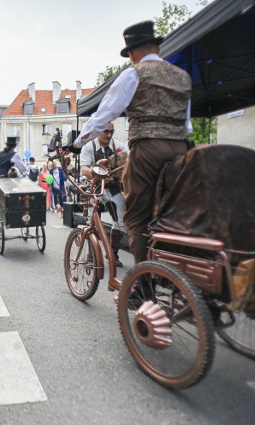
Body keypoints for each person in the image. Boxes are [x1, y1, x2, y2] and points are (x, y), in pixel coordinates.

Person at [73, 20, 192, 263]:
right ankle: (175, 270)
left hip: (149, 149)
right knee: (174, 213)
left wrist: (76, 143)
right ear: (156, 48)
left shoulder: (133, 74)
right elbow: (187, 124)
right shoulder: (182, 77)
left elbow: (104, 116)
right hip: (181, 150)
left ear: (133, 53)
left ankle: (141, 285)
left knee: (137, 217)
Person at [79, 122, 128, 267]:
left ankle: (112, 253)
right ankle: (91, 254)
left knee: (120, 220)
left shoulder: (119, 147)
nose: (108, 135)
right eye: (105, 131)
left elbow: (127, 163)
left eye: (111, 132)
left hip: (112, 188)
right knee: (91, 223)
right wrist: (95, 173)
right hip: (94, 187)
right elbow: (83, 170)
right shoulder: (89, 147)